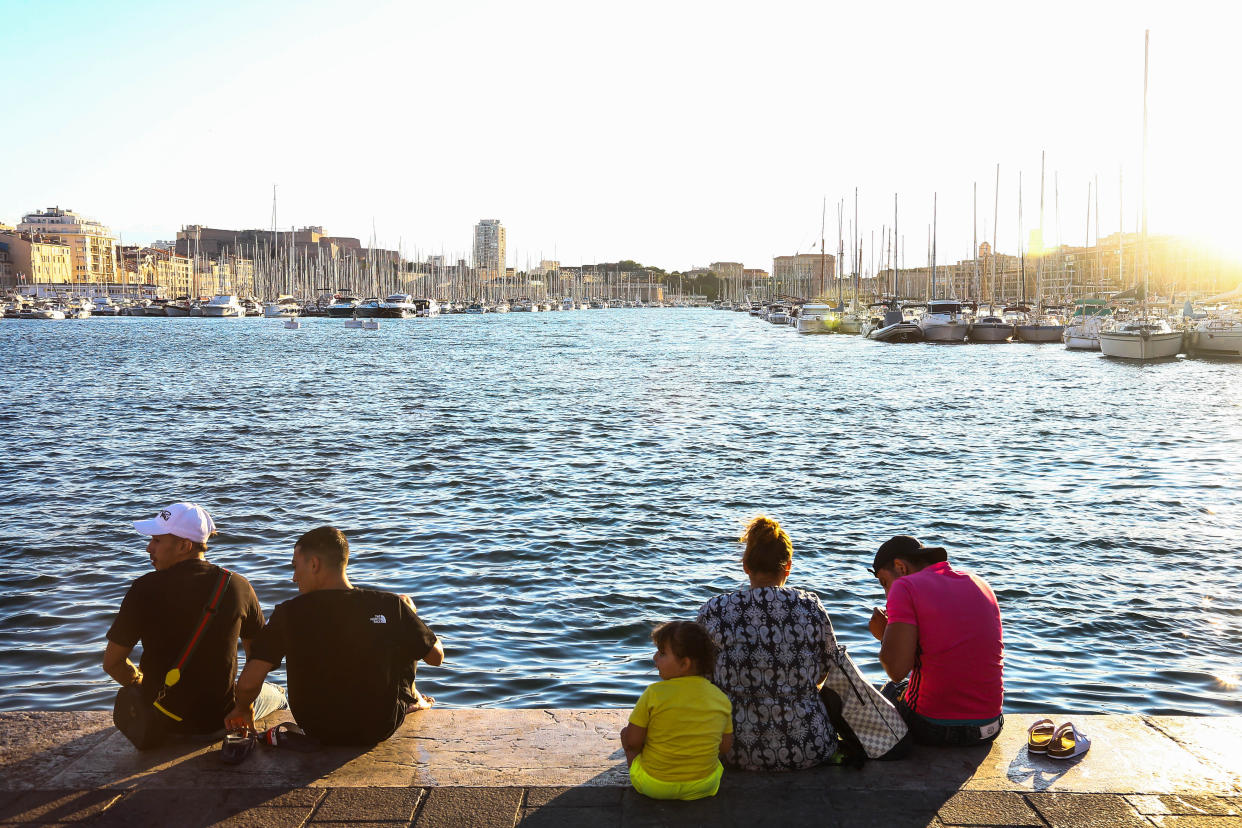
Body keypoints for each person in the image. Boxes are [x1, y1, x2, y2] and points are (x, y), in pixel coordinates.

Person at [225, 526, 445, 746]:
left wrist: (243, 708)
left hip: (316, 727)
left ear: (314, 564)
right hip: (379, 726)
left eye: (295, 567)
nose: (293, 577)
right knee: (405, 607)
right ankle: (411, 697)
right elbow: (436, 658)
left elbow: (248, 683)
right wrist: (408, 619)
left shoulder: (288, 613)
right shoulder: (389, 605)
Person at [103, 502, 286, 739]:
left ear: (184, 546)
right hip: (218, 722)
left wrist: (141, 682)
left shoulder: (143, 589)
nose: (149, 548)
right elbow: (258, 659)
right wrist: (244, 706)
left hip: (162, 721)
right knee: (279, 694)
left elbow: (112, 664)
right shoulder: (237, 586)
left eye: (157, 541)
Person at [696, 515, 838, 771]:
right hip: (809, 745)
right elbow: (827, 669)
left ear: (745, 566)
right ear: (788, 567)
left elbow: (701, 676)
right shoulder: (810, 606)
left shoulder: (714, 610)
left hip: (733, 748)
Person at [867, 535, 1004, 746]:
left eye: (884, 583)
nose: (887, 594)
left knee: (890, 691)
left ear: (900, 567)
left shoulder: (904, 587)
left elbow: (896, 671)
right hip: (990, 727)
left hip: (936, 729)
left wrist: (884, 635)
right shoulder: (979, 582)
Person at [620, 621, 733, 801]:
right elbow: (725, 747)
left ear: (684, 664)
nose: (655, 658)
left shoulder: (653, 694)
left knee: (627, 736)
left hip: (654, 786)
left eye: (662, 653)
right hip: (706, 785)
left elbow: (634, 742)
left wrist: (630, 744)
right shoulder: (721, 699)